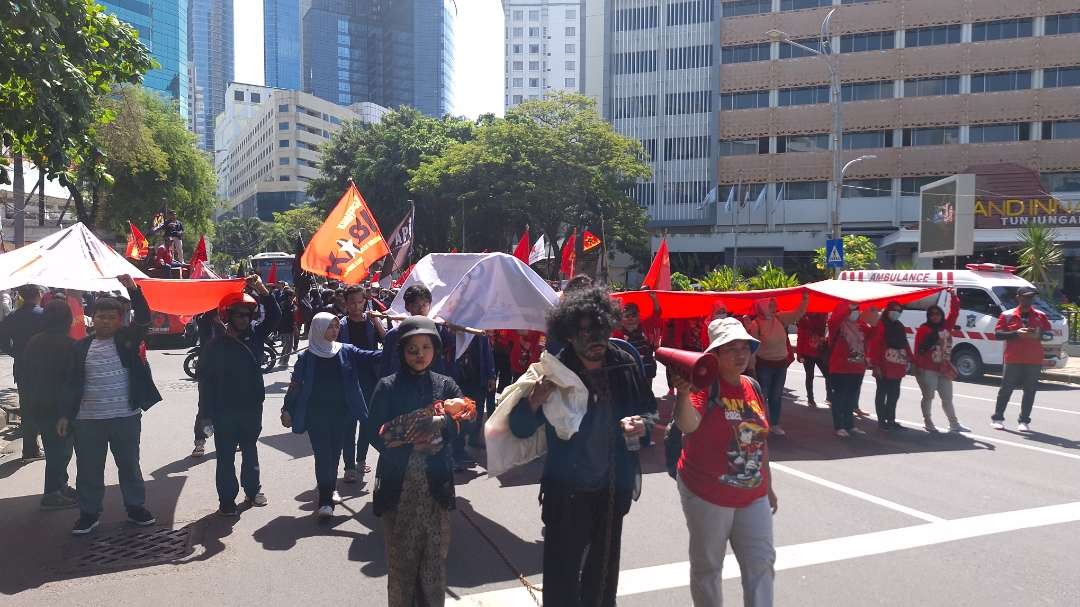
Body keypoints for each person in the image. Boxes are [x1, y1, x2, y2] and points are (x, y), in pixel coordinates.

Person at [509, 286, 658, 607]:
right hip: (567, 493)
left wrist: (641, 426)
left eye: (600, 329)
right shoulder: (554, 369)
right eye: (584, 331)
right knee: (562, 575)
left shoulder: (624, 364)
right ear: (570, 335)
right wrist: (535, 400)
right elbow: (519, 428)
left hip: (612, 491)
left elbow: (649, 413)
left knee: (603, 574)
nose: (595, 338)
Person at [671, 317, 777, 607]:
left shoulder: (752, 385)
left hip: (753, 494)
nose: (741, 354)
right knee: (708, 569)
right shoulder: (704, 385)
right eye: (731, 348)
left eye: (745, 347)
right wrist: (682, 394)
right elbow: (688, 425)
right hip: (708, 493)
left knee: (762, 565)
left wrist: (769, 486)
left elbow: (760, 439)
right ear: (714, 355)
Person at [367, 316, 469, 607]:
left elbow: (465, 420)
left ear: (435, 350)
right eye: (413, 348)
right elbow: (375, 432)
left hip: (436, 487)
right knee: (401, 564)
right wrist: (406, 439)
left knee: (434, 563)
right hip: (399, 487)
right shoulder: (387, 386)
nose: (420, 354)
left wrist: (440, 425)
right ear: (402, 351)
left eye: (426, 347)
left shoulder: (446, 385)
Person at [57, 276, 161, 535]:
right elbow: (71, 383)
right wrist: (64, 415)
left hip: (125, 417)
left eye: (111, 317)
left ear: (119, 320)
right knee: (89, 469)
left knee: (129, 465)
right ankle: (89, 513)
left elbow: (145, 318)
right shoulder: (81, 347)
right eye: (101, 316)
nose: (105, 320)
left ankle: (136, 508)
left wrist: (132, 289)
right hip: (88, 420)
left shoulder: (127, 340)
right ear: (93, 318)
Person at [281, 313, 381, 518]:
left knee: (335, 453)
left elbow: (372, 355)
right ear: (318, 329)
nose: (335, 330)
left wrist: (399, 339)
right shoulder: (305, 358)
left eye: (336, 326)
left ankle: (330, 487)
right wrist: (287, 409)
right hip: (316, 415)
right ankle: (325, 500)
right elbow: (295, 387)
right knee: (322, 454)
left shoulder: (346, 350)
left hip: (342, 414)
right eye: (330, 327)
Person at [196, 275, 281, 514]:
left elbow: (275, 317)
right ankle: (226, 500)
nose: (245, 319)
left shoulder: (255, 335)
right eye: (239, 314)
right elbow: (205, 383)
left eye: (248, 314)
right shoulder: (214, 346)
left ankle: (253, 491)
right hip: (223, 411)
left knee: (250, 450)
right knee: (224, 457)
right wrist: (205, 415)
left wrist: (262, 289)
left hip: (251, 407)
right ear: (227, 316)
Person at [17, 300, 79, 509]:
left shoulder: (35, 341)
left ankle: (60, 485)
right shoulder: (68, 344)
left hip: (37, 402)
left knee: (56, 450)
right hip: (57, 407)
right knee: (59, 451)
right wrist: (64, 413)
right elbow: (67, 381)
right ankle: (52, 493)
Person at [338, 285, 387, 483]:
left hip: (370, 379)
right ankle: (349, 466)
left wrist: (377, 322)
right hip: (348, 379)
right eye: (352, 303)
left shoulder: (372, 321)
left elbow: (387, 341)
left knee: (367, 423)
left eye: (360, 302)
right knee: (348, 424)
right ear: (346, 304)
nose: (357, 306)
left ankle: (361, 459)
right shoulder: (340, 325)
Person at [748, 293, 808, 436]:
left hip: (780, 365)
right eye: (770, 304)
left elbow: (798, 313)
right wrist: (751, 367)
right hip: (764, 366)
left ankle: (774, 424)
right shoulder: (756, 325)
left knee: (776, 396)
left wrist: (805, 298)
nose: (774, 307)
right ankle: (758, 424)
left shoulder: (780, 318)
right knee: (762, 396)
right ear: (762, 307)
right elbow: (753, 349)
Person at [992, 287, 1051, 432]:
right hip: (1013, 358)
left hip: (1034, 359)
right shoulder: (1007, 315)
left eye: (1031, 297)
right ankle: (997, 418)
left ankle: (1024, 420)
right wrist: (1016, 333)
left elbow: (1049, 334)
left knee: (1030, 391)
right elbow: (998, 334)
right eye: (1025, 297)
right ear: (1018, 297)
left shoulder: (1040, 315)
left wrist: (1039, 335)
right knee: (1006, 389)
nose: (1028, 300)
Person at [0, 284, 46, 459]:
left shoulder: (12, 317)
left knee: (27, 409)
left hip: (22, 367)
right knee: (47, 407)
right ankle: (44, 445)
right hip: (45, 367)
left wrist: (17, 353)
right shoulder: (44, 315)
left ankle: (30, 449)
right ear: (39, 295)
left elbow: (3, 342)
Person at [913, 292, 967, 433]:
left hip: (943, 368)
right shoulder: (924, 329)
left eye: (937, 314)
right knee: (928, 396)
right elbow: (918, 349)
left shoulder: (946, 327)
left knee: (947, 397)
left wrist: (953, 296)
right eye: (932, 314)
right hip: (927, 368)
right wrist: (917, 366)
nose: (935, 316)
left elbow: (955, 312)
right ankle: (928, 421)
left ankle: (954, 423)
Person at [380, 285, 456, 379]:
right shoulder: (394, 335)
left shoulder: (440, 331)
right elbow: (386, 367)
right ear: (407, 307)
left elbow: (452, 355)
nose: (421, 309)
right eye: (416, 305)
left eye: (425, 305)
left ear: (429, 306)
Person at [827, 301, 874, 438]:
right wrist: (847, 307)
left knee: (851, 398)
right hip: (840, 368)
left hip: (857, 367)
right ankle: (839, 426)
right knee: (839, 398)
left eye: (857, 309)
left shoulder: (861, 326)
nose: (855, 312)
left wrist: (873, 312)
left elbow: (874, 332)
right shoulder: (837, 326)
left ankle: (850, 425)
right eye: (853, 310)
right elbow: (835, 318)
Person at [452, 332, 496, 469]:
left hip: (477, 378)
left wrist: (491, 375)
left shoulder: (480, 333)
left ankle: (473, 439)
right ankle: (457, 451)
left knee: (475, 411)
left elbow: (487, 355)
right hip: (458, 379)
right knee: (458, 415)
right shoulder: (453, 331)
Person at [869, 301, 914, 431]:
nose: (896, 313)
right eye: (894, 310)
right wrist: (875, 364)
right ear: (888, 310)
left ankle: (891, 419)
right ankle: (882, 420)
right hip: (883, 364)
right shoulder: (880, 325)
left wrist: (911, 359)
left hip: (897, 364)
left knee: (894, 393)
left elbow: (905, 344)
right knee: (882, 392)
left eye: (899, 311)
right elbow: (875, 345)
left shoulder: (899, 326)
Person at [612, 302, 661, 382]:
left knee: (647, 394)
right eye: (627, 316)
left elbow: (656, 314)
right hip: (628, 373)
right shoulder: (616, 333)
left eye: (633, 315)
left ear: (638, 316)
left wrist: (654, 299)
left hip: (647, 371)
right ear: (621, 319)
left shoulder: (645, 327)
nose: (630, 318)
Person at [796, 312, 831, 408]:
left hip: (819, 352)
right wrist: (799, 355)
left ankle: (829, 397)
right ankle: (810, 399)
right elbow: (800, 337)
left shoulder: (822, 316)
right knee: (810, 376)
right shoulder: (804, 319)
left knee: (828, 374)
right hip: (807, 353)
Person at [276, 287, 297, 367]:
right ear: (289, 296)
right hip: (286, 327)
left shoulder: (289, 304)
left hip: (287, 327)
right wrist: (294, 326)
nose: (293, 297)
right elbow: (288, 317)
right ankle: (283, 362)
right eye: (292, 296)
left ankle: (284, 361)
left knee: (288, 345)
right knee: (288, 345)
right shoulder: (286, 305)